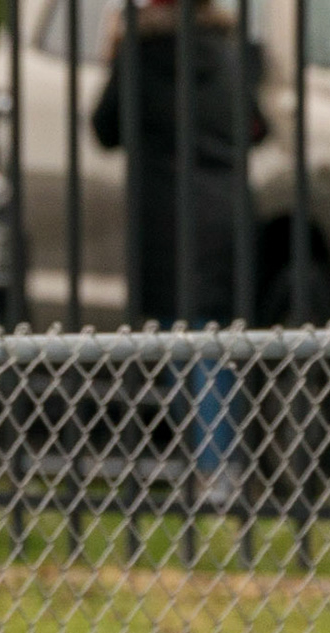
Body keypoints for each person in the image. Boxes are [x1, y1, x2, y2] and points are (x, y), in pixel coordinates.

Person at [92, 0, 261, 509]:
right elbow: (256, 126)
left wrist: (115, 53)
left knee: (182, 343)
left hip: (165, 212)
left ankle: (209, 466)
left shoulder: (139, 53)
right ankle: (218, 465)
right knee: (215, 342)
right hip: (224, 209)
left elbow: (105, 128)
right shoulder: (227, 51)